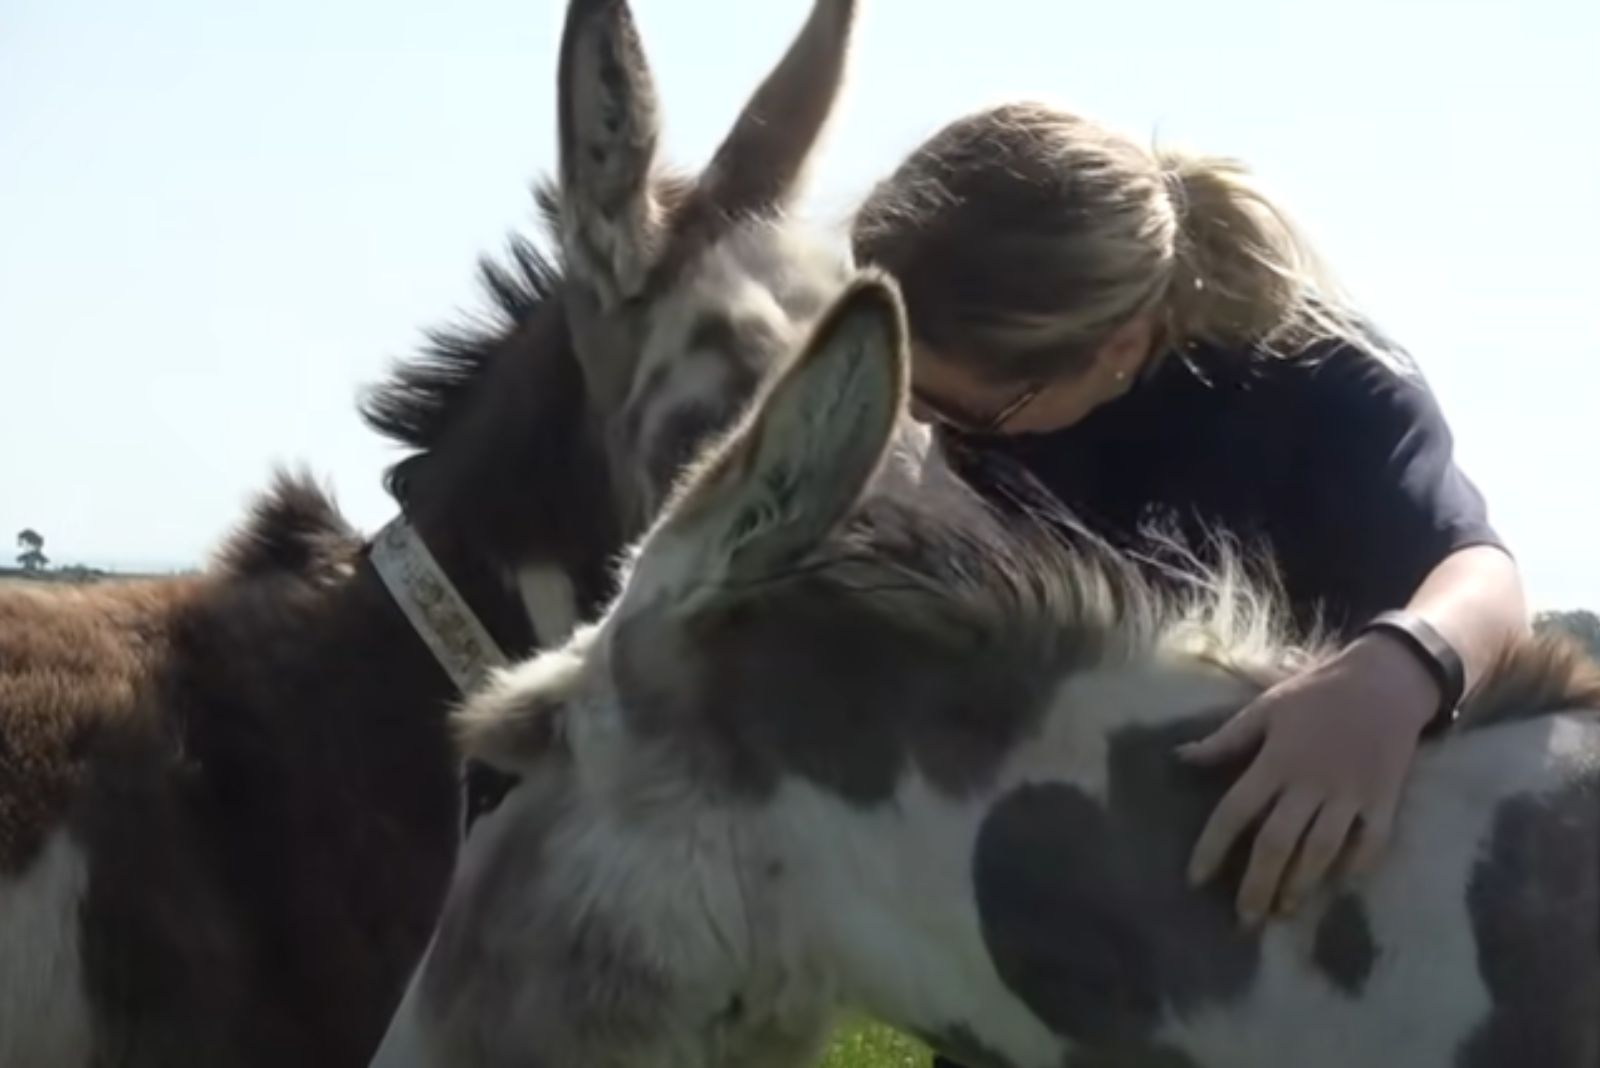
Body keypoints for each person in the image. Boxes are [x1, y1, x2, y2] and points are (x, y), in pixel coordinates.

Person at [849, 102, 1528, 940]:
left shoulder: (1319, 382)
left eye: (953, 410)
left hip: (1291, 922)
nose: (916, 431)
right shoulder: (962, 402)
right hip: (1045, 917)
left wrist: (1392, 677)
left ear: (1121, 348)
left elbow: (1482, 577)